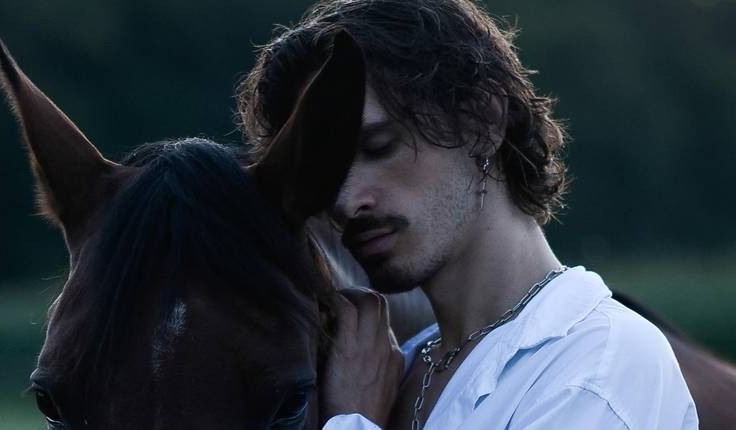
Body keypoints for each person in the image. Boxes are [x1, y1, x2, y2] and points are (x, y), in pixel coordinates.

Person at [235, 0, 698, 428]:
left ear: (483, 121)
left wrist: (351, 421)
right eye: (330, 172)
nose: (346, 202)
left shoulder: (596, 369)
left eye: (379, 147)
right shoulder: (391, 370)